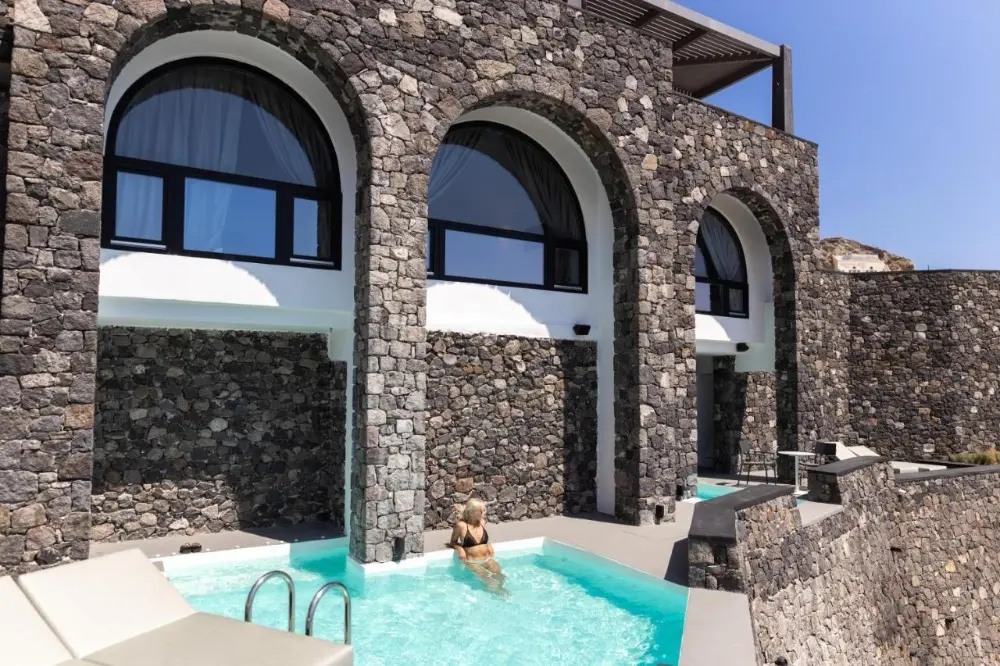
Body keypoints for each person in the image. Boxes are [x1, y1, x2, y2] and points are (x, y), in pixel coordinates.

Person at [448, 498, 508, 596]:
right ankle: (498, 596)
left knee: (500, 576)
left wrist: (489, 545)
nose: (484, 513)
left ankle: (499, 592)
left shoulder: (482, 522)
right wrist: (460, 549)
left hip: (487, 559)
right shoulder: (461, 526)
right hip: (472, 562)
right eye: (481, 510)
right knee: (488, 579)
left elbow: (484, 539)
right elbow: (453, 542)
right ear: (472, 512)